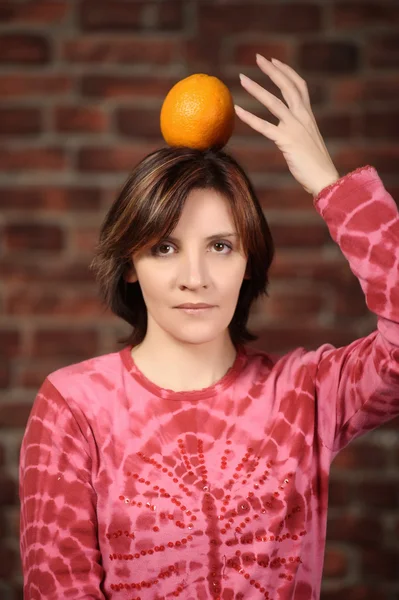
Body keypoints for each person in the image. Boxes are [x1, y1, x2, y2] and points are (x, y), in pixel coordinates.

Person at [19, 56, 399, 600]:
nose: (193, 279)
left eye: (220, 246)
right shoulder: (72, 406)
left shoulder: (307, 393)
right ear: (131, 263)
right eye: (165, 248)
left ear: (249, 261)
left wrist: (328, 182)